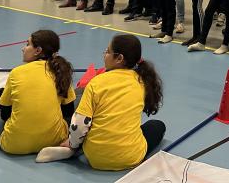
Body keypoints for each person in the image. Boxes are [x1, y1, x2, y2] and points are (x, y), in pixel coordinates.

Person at [61, 35, 165, 170]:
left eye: (107, 51)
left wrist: (72, 144)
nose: (104, 55)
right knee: (157, 126)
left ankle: (85, 147)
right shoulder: (142, 82)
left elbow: (80, 124)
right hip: (131, 158)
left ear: (119, 58)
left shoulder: (96, 82)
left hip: (95, 158)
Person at [0, 30, 75, 154]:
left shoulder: (16, 72)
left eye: (27, 44)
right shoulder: (61, 72)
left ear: (38, 50)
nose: (23, 48)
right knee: (77, 98)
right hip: (55, 140)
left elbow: (4, 114)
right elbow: (69, 112)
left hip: (15, 146)